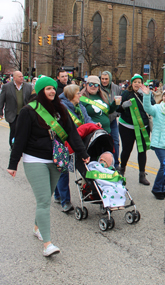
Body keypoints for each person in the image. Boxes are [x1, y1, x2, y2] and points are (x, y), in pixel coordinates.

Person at [7, 76, 90, 256]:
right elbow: (19, 140)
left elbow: (72, 134)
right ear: (40, 91)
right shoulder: (28, 111)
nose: (52, 91)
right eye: (47, 89)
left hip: (56, 159)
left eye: (53, 88)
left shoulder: (60, 109)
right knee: (44, 200)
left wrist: (83, 154)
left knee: (47, 196)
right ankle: (47, 244)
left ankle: (38, 227)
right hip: (34, 159)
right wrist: (13, 164)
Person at [54, 84, 98, 212]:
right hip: (63, 141)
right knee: (63, 171)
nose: (80, 95)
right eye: (78, 93)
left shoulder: (80, 106)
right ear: (72, 95)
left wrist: (94, 125)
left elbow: (88, 119)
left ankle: (58, 194)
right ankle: (65, 201)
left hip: (78, 140)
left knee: (63, 171)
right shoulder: (62, 108)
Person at [116, 74, 155, 185]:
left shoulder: (147, 93)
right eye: (135, 82)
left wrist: (146, 96)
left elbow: (153, 106)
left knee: (142, 150)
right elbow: (118, 108)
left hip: (143, 126)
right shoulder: (126, 93)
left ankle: (142, 174)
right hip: (127, 126)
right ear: (131, 84)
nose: (137, 84)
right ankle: (122, 170)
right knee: (127, 150)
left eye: (139, 82)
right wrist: (123, 106)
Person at [0, 70, 34, 148]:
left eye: (22, 76)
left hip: (24, 113)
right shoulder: (6, 87)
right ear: (14, 78)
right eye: (20, 76)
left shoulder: (28, 87)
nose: (22, 78)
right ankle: (13, 146)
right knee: (14, 130)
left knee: (24, 130)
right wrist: (0, 111)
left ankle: (23, 145)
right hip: (12, 113)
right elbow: (1, 100)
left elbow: (31, 99)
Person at [100, 71, 122, 169]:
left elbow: (120, 100)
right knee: (102, 142)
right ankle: (102, 162)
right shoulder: (98, 88)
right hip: (102, 119)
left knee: (115, 141)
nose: (104, 81)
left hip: (112, 120)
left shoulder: (116, 88)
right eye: (102, 79)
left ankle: (116, 163)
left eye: (106, 79)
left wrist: (118, 112)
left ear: (110, 79)